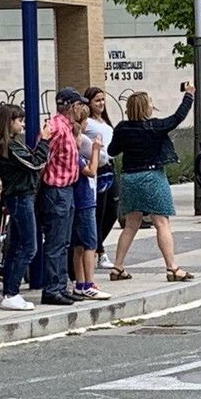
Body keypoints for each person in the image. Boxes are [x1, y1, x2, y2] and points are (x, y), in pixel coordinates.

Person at [107, 86, 195, 281]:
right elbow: (177, 117)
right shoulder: (154, 127)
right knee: (161, 223)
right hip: (152, 176)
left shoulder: (122, 128)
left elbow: (112, 151)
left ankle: (118, 267)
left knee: (131, 224)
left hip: (130, 178)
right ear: (146, 107)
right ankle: (172, 268)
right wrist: (189, 95)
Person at [0, 104, 51, 311]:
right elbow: (35, 163)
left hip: (21, 197)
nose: (23, 124)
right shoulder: (10, 146)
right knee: (29, 246)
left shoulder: (12, 144)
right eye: (20, 121)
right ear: (10, 122)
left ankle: (10, 289)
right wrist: (44, 141)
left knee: (16, 246)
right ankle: (12, 292)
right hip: (20, 197)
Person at [39, 88, 87, 306]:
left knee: (64, 241)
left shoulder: (67, 128)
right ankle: (52, 289)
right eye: (79, 105)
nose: (81, 109)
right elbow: (43, 158)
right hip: (56, 189)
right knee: (56, 242)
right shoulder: (56, 128)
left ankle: (60, 286)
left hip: (66, 189)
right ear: (72, 106)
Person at [70, 108, 110, 300]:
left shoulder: (76, 155)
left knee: (78, 245)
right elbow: (92, 171)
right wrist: (95, 149)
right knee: (89, 243)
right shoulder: (77, 157)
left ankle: (80, 282)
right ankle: (87, 283)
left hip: (83, 201)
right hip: (84, 202)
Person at [82, 87, 117, 271]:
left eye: (103, 100)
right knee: (100, 211)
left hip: (110, 165)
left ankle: (95, 245)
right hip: (98, 167)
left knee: (113, 210)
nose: (101, 103)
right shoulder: (86, 123)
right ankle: (99, 251)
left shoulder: (104, 121)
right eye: (97, 100)